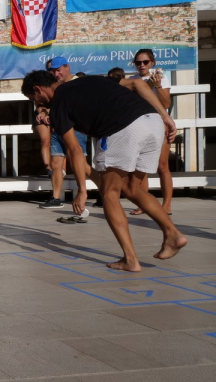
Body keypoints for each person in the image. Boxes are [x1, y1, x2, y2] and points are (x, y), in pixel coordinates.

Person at [21, 69, 187, 271]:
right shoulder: (91, 79)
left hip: (122, 128)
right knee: (133, 189)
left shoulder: (58, 105)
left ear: (38, 88)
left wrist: (82, 190)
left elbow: (74, 150)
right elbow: (137, 84)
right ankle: (173, 234)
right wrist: (166, 117)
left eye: (34, 98)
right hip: (152, 122)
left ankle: (130, 260)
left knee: (109, 194)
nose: (37, 103)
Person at [39, 56, 91, 209]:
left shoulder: (79, 83)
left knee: (82, 165)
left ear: (67, 67)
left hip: (75, 130)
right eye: (53, 71)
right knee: (56, 163)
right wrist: (46, 113)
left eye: (58, 70)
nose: (56, 74)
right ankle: (56, 197)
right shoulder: (56, 87)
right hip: (59, 129)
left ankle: (102, 190)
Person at [128, 49, 174, 216]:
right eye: (138, 62)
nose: (142, 65)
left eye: (145, 62)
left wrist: (158, 86)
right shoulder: (132, 80)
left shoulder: (161, 78)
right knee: (140, 166)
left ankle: (166, 205)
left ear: (152, 63)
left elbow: (166, 103)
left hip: (160, 123)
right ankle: (143, 203)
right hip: (140, 123)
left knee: (162, 165)